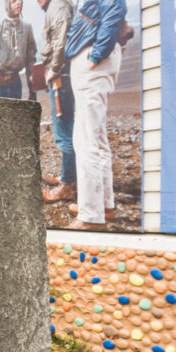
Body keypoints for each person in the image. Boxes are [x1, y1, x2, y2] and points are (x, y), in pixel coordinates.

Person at [64, 0, 127, 229]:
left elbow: (114, 9)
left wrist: (96, 55)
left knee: (86, 139)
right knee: (96, 137)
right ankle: (103, 205)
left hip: (93, 59)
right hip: (94, 58)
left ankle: (91, 215)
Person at [38, 0, 76, 203]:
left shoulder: (58, 7)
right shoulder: (54, 7)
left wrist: (53, 70)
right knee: (67, 130)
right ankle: (70, 176)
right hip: (61, 76)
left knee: (64, 132)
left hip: (60, 78)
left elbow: (60, 43)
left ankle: (67, 186)